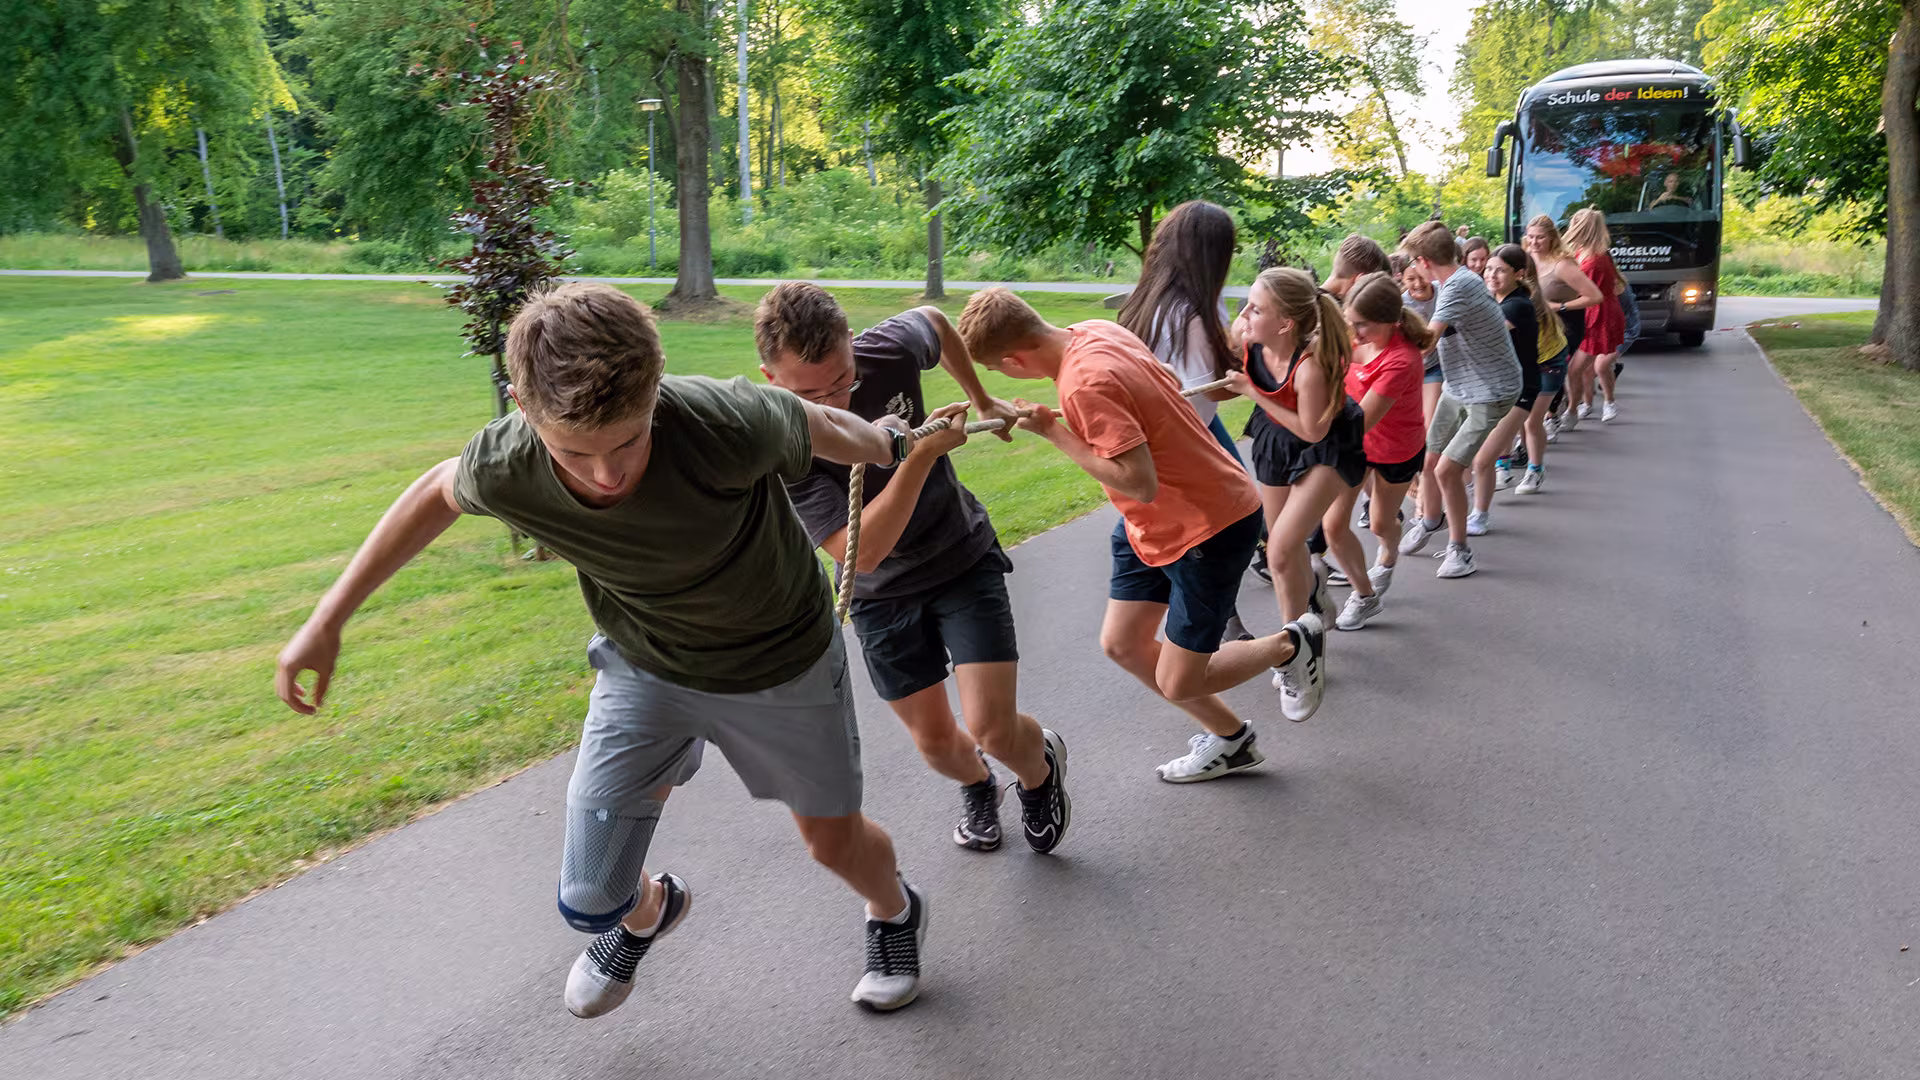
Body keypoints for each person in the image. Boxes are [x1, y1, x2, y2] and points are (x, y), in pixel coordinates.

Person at [273, 283, 934, 1017]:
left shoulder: (728, 419)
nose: (606, 475)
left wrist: (895, 441)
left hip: (779, 659)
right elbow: (436, 491)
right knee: (592, 894)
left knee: (833, 845)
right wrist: (329, 619)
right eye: (574, 452)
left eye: (628, 440)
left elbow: (823, 427)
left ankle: (894, 910)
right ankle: (650, 910)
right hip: (644, 662)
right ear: (524, 414)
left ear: (655, 393)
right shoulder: (508, 462)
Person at [956, 287, 1325, 780]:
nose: (1006, 376)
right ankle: (1232, 742)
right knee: (1124, 644)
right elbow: (1166, 381)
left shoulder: (1083, 385)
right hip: (1152, 525)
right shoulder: (1095, 330)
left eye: (1000, 370)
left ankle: (1292, 643)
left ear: (1014, 360)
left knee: (1178, 681)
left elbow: (1138, 481)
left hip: (1206, 527)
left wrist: (1053, 432)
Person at [755, 284, 1071, 857]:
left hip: (959, 555)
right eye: (812, 392)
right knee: (935, 744)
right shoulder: (780, 441)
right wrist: (919, 456)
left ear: (854, 343)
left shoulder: (890, 348)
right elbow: (861, 553)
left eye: (843, 380)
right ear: (772, 380)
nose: (836, 402)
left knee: (992, 728)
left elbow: (935, 320)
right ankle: (979, 784)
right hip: (882, 591)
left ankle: (1039, 770)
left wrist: (980, 398)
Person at [1117, 200, 1257, 642]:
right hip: (1183, 437)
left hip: (1153, 433)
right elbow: (1208, 391)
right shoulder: (1197, 313)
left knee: (1238, 510)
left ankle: (1225, 608)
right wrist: (1243, 353)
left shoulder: (1145, 299)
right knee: (1221, 524)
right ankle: (1222, 623)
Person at [1227, 267, 1366, 654]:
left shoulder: (1310, 367)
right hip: (1275, 436)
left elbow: (1312, 431)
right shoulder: (1251, 339)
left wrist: (1252, 395)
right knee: (1282, 546)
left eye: (1255, 310)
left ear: (1285, 324)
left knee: (1281, 550)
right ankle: (1312, 601)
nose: (1243, 317)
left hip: (1324, 444)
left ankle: (1295, 648)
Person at [1395, 221, 1522, 578]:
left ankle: (1460, 549)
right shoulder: (1445, 284)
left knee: (1448, 469)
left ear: (1422, 260)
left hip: (1492, 390)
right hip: (1459, 385)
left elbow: (1427, 343)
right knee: (1430, 456)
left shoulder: (1458, 288)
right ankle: (1430, 519)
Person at [1327, 271, 1433, 622]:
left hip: (1395, 450)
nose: (1354, 333)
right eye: (1350, 322)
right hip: (1357, 449)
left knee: (1378, 524)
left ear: (1390, 321)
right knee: (1333, 526)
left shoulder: (1401, 359)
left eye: (1363, 325)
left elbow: (1360, 422)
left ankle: (1388, 552)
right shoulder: (1358, 338)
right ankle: (1365, 595)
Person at [1467, 244, 1545, 531]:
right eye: (1488, 268)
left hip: (1520, 389)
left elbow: (1482, 333)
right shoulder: (1495, 299)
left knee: (1483, 456)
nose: (1492, 275)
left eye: (1500, 270)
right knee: (1473, 457)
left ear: (1519, 273)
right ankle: (1468, 507)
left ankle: (1480, 515)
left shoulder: (1518, 305)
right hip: (1492, 388)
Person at [1523, 214, 1604, 436]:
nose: (1534, 242)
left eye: (1540, 238)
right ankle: (1545, 413)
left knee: (1552, 366)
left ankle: (1551, 415)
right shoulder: (1526, 258)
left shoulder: (1562, 265)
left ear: (1551, 239)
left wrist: (1560, 307)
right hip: (1536, 324)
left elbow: (1595, 296)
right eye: (1530, 236)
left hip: (1565, 323)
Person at [1565, 208, 1626, 423]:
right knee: (1587, 367)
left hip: (1598, 315)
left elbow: (1585, 293)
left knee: (1583, 367)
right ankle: (1589, 404)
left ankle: (1583, 407)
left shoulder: (1593, 261)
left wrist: (1560, 305)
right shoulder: (1587, 252)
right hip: (1598, 312)